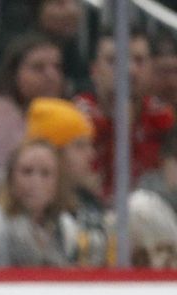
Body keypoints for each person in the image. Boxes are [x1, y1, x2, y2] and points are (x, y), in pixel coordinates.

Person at [73, 28, 175, 202]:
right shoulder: (76, 119)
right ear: (95, 70)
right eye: (114, 60)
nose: (130, 70)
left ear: (151, 68)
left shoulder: (164, 117)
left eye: (139, 60)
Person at [25, 96, 111, 267]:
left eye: (90, 145)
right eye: (79, 146)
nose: (91, 155)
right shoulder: (30, 216)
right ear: (53, 152)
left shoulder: (88, 201)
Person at [0, 32, 64, 188]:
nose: (51, 76)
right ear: (14, 73)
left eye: (57, 67)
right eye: (38, 68)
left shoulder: (65, 115)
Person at [0, 138, 78, 267]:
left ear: (58, 182)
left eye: (45, 173)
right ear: (11, 178)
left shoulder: (67, 225)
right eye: (27, 172)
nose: (36, 182)